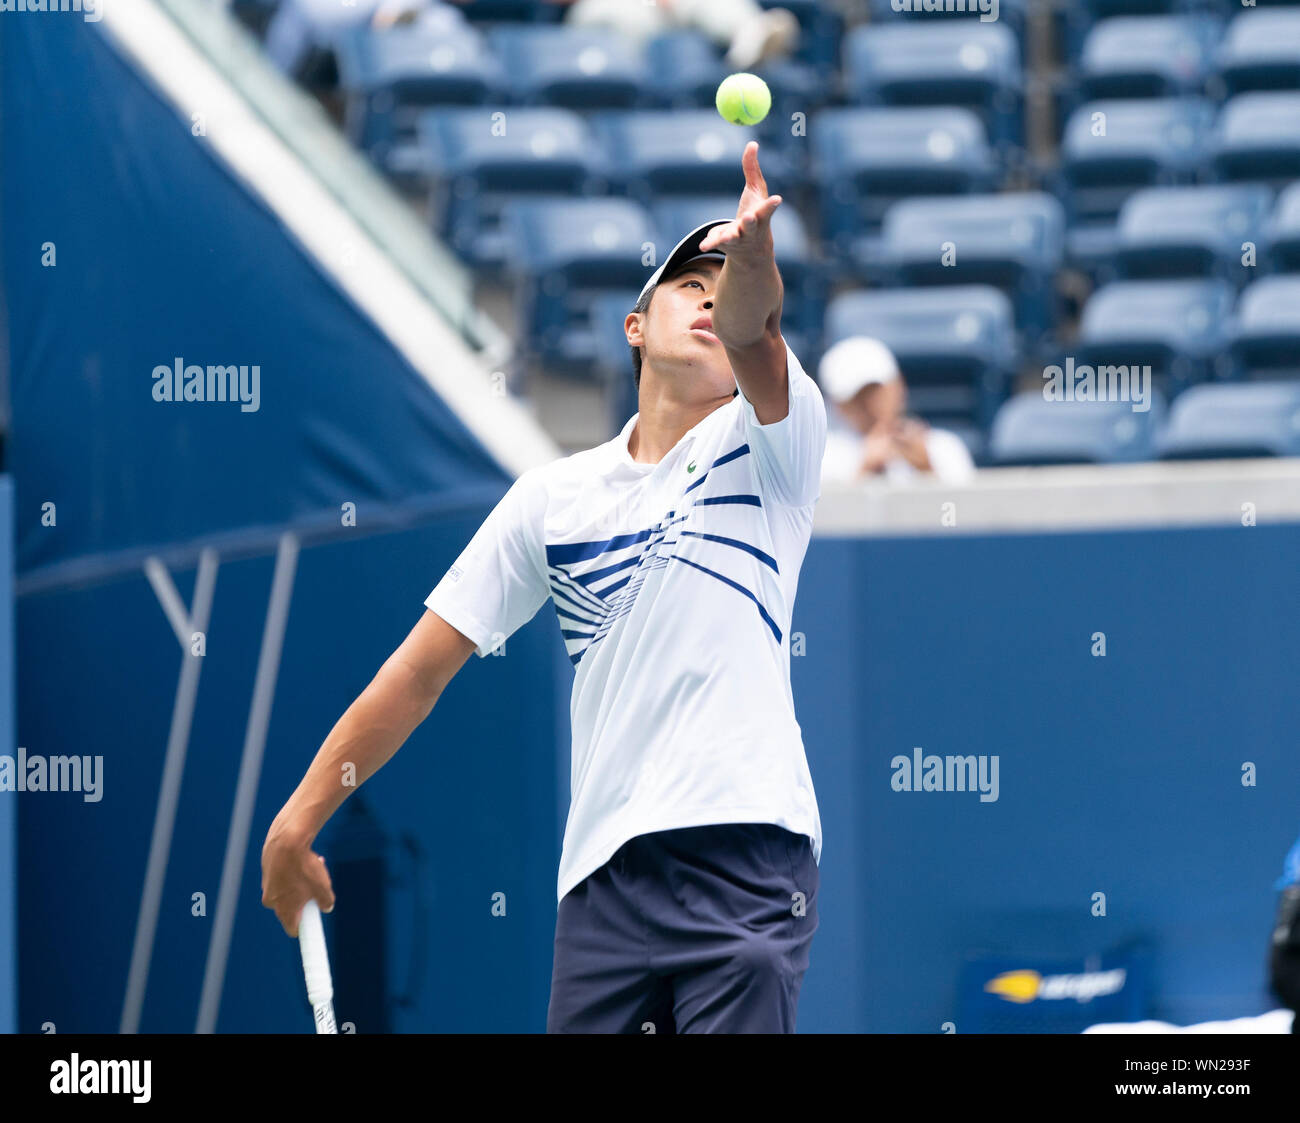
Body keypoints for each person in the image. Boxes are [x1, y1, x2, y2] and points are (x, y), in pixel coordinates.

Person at [262, 142, 825, 1033]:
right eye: (690, 283)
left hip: (745, 852)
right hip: (603, 884)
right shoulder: (551, 500)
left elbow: (755, 328)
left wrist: (752, 258)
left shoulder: (773, 447)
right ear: (634, 326)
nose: (713, 296)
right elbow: (416, 674)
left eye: (729, 280)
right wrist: (297, 822)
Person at [817, 335, 976, 485]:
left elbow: (962, 510)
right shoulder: (823, 458)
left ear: (899, 385)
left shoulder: (945, 448)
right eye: (858, 397)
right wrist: (865, 471)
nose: (870, 404)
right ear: (838, 405)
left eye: (877, 391)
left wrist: (928, 470)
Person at [548, 0, 800, 71]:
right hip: (592, 13)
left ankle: (751, 36)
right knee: (621, 13)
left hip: (659, 9)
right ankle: (643, 85)